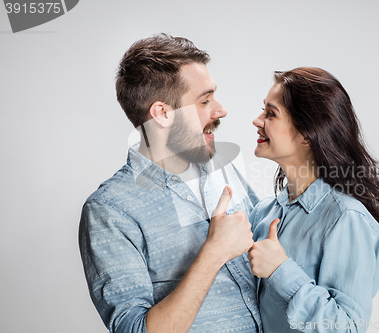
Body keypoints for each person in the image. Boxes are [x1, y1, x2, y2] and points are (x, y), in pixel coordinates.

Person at [78, 34, 262, 333]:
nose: (220, 110)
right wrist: (213, 252)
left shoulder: (223, 172)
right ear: (162, 113)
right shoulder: (110, 211)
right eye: (204, 100)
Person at [248, 67, 379, 332]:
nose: (257, 120)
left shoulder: (346, 218)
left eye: (271, 113)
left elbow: (347, 327)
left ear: (306, 133)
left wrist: (281, 270)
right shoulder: (262, 213)